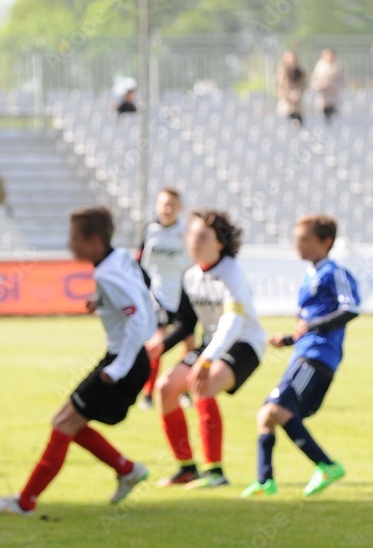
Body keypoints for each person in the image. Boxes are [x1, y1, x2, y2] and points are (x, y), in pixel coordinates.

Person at [0, 207, 154, 516]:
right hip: (125, 357)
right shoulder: (120, 258)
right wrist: (101, 301)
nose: (70, 244)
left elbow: (138, 316)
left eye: (75, 238)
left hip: (122, 360)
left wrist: (119, 368)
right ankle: (127, 470)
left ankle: (25, 503)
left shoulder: (107, 272)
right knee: (66, 423)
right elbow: (143, 287)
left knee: (63, 423)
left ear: (94, 240)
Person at [243, 214, 360, 498]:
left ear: (326, 242)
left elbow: (351, 308)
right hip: (303, 353)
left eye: (305, 239)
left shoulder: (335, 272)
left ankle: (326, 465)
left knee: (275, 409)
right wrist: (288, 338)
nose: (298, 245)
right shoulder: (310, 275)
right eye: (296, 239)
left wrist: (313, 327)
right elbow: (308, 322)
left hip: (319, 356)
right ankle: (264, 481)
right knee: (266, 414)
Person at [149, 210, 267, 489]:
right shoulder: (190, 276)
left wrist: (206, 360)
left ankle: (216, 472)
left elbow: (233, 321)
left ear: (220, 244)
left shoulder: (231, 273)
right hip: (211, 345)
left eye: (202, 236)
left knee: (205, 383)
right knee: (165, 389)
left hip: (244, 344)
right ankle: (187, 469)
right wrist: (160, 346)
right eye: (191, 234)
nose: (193, 241)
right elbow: (186, 323)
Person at [137, 187, 194, 409]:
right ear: (157, 206)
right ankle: (149, 394)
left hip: (182, 294)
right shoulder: (150, 230)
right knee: (156, 343)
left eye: (172, 204)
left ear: (179, 208)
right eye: (163, 204)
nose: (167, 208)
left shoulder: (186, 232)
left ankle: (184, 390)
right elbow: (142, 262)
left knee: (189, 342)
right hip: (158, 295)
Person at [311, 49, 345, 124]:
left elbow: (342, 83)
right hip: (323, 99)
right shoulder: (319, 68)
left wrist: (331, 85)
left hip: (334, 98)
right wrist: (321, 85)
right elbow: (313, 82)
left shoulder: (339, 68)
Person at [276, 50, 306, 126]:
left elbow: (303, 86)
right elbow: (279, 88)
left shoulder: (300, 73)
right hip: (286, 106)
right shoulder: (282, 73)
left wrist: (297, 94)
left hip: (298, 107)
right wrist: (288, 96)